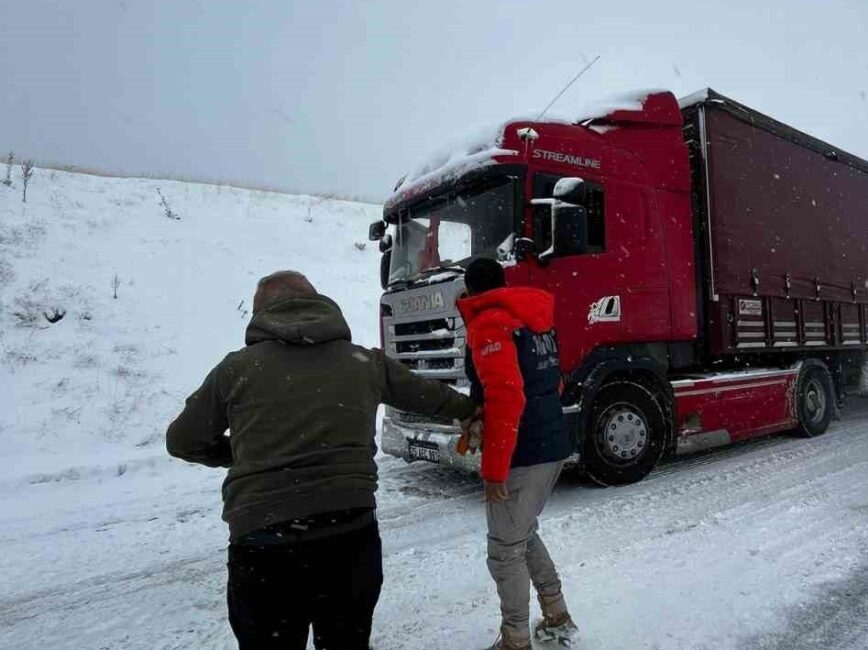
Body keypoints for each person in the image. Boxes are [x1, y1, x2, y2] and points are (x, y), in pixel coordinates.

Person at [166, 270, 478, 650]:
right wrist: (473, 411)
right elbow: (432, 396)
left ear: (261, 314)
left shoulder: (236, 369)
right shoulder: (364, 362)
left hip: (263, 545)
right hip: (348, 536)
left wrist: (234, 453)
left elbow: (182, 440)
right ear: (317, 302)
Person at [457, 258, 578, 650]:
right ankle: (556, 613)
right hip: (551, 442)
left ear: (471, 290)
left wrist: (495, 468)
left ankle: (516, 640)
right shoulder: (535, 320)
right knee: (522, 535)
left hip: (523, 453)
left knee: (504, 550)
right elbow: (552, 382)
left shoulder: (490, 323)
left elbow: (507, 396)